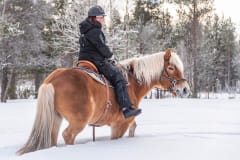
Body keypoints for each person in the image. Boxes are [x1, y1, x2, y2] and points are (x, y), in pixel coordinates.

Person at [78, 5, 141, 119]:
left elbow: (94, 47)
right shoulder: (95, 31)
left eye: (103, 17)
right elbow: (101, 47)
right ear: (95, 18)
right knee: (119, 78)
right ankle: (126, 109)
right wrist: (110, 56)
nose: (103, 19)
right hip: (96, 61)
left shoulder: (86, 30)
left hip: (83, 60)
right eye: (101, 17)